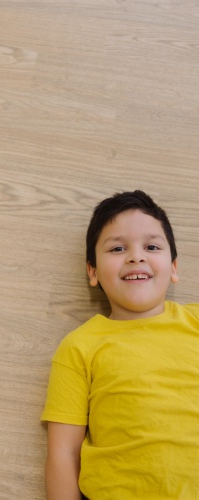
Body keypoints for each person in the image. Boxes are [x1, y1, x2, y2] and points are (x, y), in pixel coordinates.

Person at [41, 190, 199, 499]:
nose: (136, 257)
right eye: (117, 248)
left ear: (174, 267)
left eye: (151, 247)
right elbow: (63, 454)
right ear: (93, 271)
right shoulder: (78, 347)